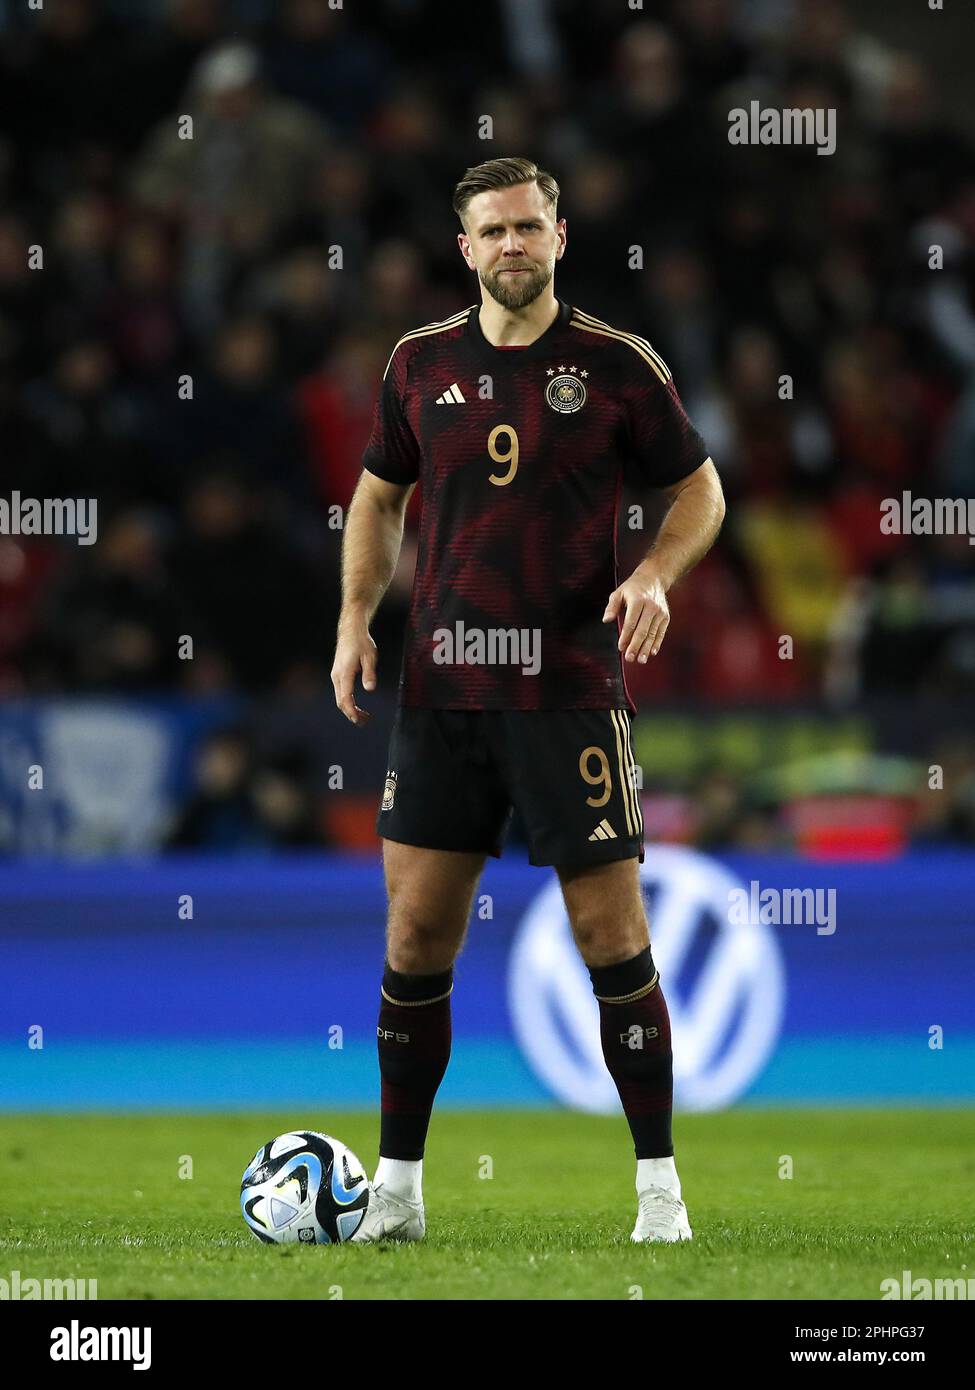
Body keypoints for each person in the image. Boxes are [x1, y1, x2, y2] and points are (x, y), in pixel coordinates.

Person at [331, 156, 725, 1244]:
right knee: (415, 935)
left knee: (611, 933)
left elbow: (700, 488)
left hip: (568, 692)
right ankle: (399, 1195)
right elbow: (376, 495)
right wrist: (355, 617)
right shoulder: (417, 365)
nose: (513, 245)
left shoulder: (616, 365)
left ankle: (660, 1195)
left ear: (561, 237)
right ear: (465, 250)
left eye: (529, 227)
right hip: (443, 691)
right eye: (492, 230)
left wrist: (651, 573)